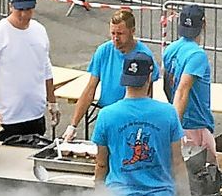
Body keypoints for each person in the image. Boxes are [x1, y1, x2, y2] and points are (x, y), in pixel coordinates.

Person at [92, 52, 190, 196]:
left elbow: (101, 164)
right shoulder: (168, 113)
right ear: (150, 76)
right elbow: (177, 162)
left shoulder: (106, 115)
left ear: (123, 77)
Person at [62, 10, 160, 141]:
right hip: (107, 115)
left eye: (120, 34)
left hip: (131, 120)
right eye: (113, 33)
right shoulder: (104, 51)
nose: (115, 38)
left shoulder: (144, 56)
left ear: (132, 31)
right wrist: (73, 125)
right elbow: (90, 89)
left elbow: (148, 94)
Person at [0, 0, 58, 140]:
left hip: (35, 115)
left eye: (27, 9)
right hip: (6, 119)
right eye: (19, 9)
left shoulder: (39, 31)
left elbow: (46, 68)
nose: (23, 14)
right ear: (10, 7)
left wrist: (52, 101)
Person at [162, 4, 216, 161]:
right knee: (204, 178)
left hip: (179, 118)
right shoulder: (197, 55)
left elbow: (168, 84)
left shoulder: (171, 49)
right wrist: (175, 129)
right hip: (195, 125)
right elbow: (182, 90)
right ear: (204, 23)